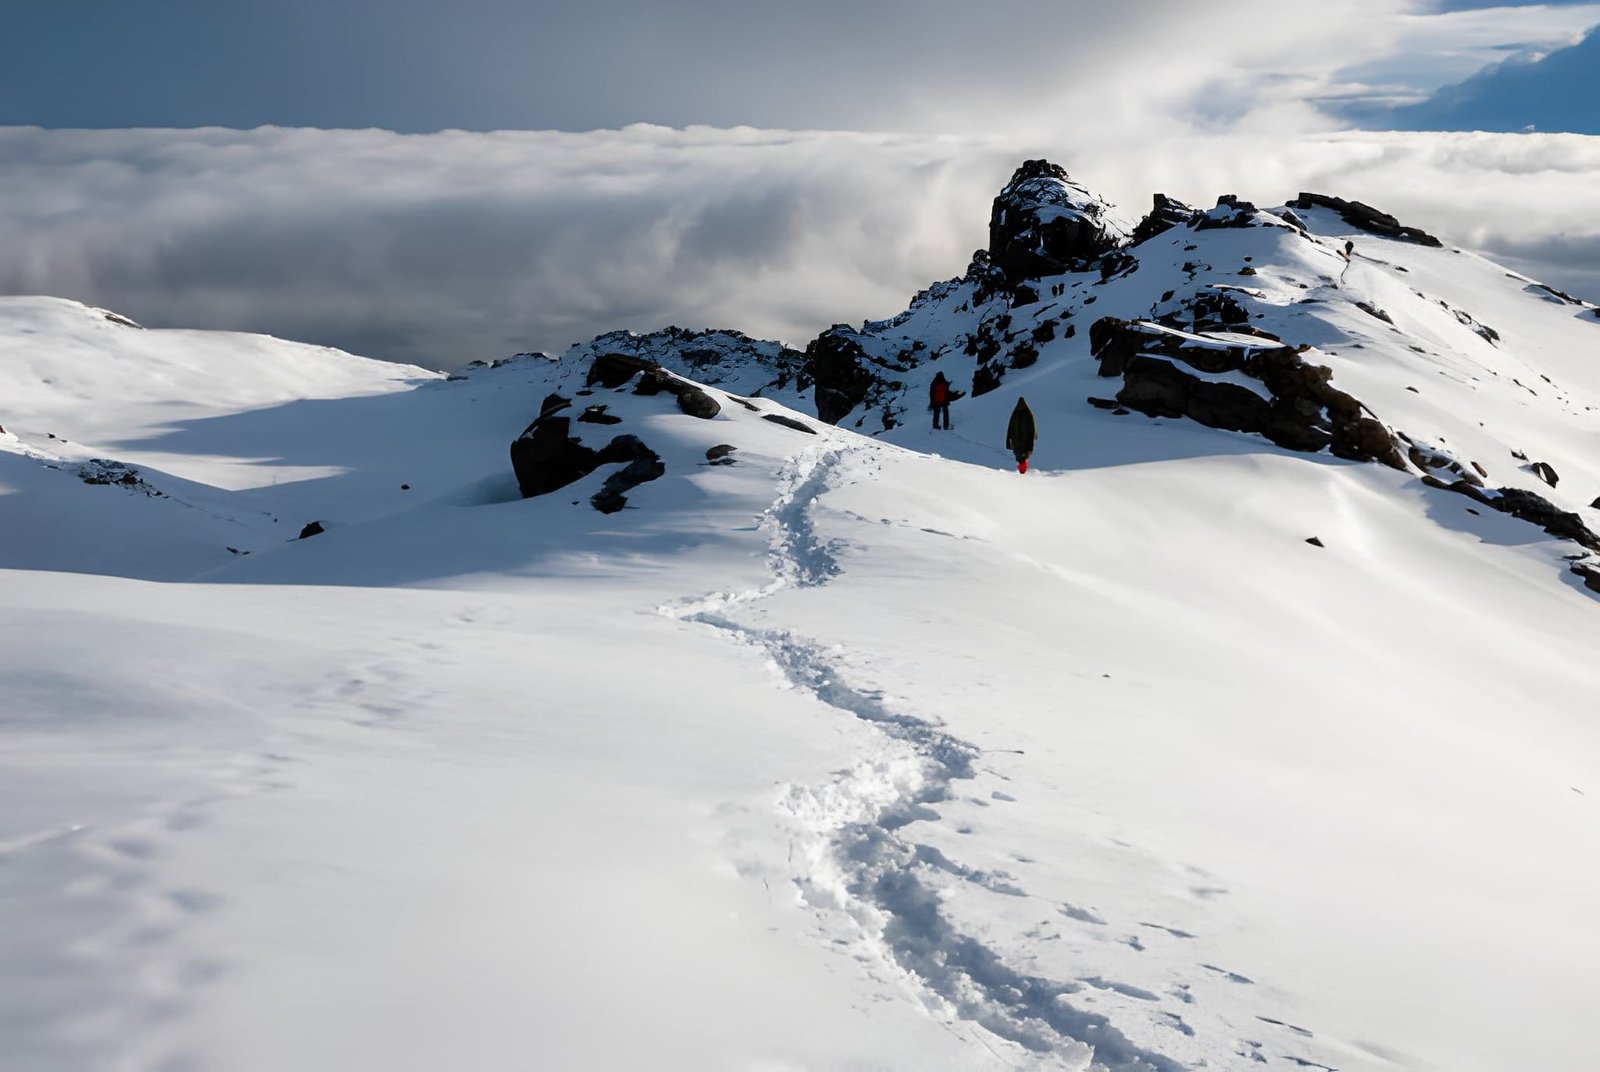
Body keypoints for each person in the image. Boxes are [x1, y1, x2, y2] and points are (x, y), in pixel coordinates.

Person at [1006, 396, 1036, 473]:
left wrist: (1008, 444)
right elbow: (1033, 427)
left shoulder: (1015, 414)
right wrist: (1035, 435)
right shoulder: (1028, 413)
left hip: (1017, 440)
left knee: (1021, 455)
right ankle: (1022, 470)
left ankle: (1022, 470)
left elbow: (1010, 428)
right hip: (1025, 440)